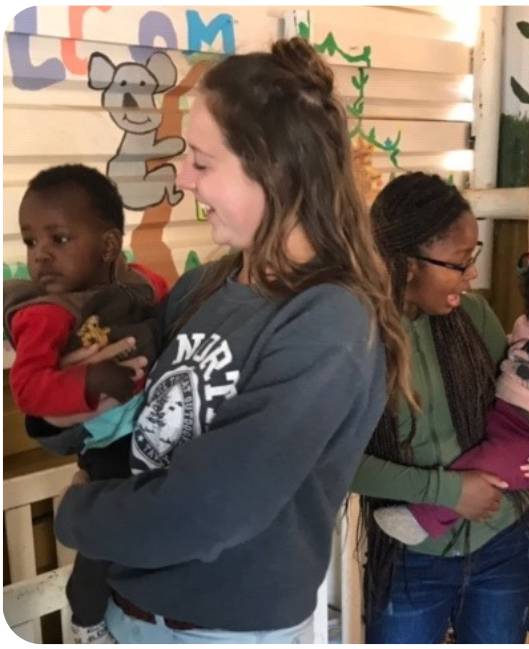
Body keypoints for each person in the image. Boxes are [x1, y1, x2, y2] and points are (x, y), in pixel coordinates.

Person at [45, 37, 416, 643]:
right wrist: (64, 387)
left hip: (218, 632)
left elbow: (210, 512)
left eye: (201, 160)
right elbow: (114, 399)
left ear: (274, 168)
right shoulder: (205, 286)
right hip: (125, 609)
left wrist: (77, 514)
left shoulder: (328, 322)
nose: (183, 178)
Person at [351, 172, 529, 644]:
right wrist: (447, 490)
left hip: (503, 540)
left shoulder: (473, 317)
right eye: (460, 263)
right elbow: (333, 463)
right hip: (410, 555)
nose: (472, 276)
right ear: (404, 262)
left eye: (473, 258)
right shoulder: (354, 337)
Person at [3, 163, 168, 643]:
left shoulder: (141, 286)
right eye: (31, 242)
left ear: (109, 246)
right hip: (110, 444)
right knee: (105, 532)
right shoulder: (45, 313)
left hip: (158, 427)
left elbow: (171, 316)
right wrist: (91, 378)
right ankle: (88, 618)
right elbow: (29, 390)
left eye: (59, 239)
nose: (41, 258)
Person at [375, 248, 529, 545]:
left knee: (481, 470)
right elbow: (508, 356)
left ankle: (422, 519)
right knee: (473, 459)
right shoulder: (525, 329)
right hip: (504, 418)